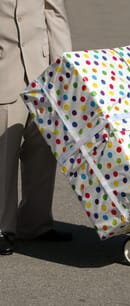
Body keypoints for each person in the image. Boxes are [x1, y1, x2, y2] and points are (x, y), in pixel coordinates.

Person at [0, 0, 73, 255]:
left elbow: (55, 14)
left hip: (42, 73)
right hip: (4, 70)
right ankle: (2, 228)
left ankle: (36, 223)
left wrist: (65, 71)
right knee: (3, 156)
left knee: (42, 151)